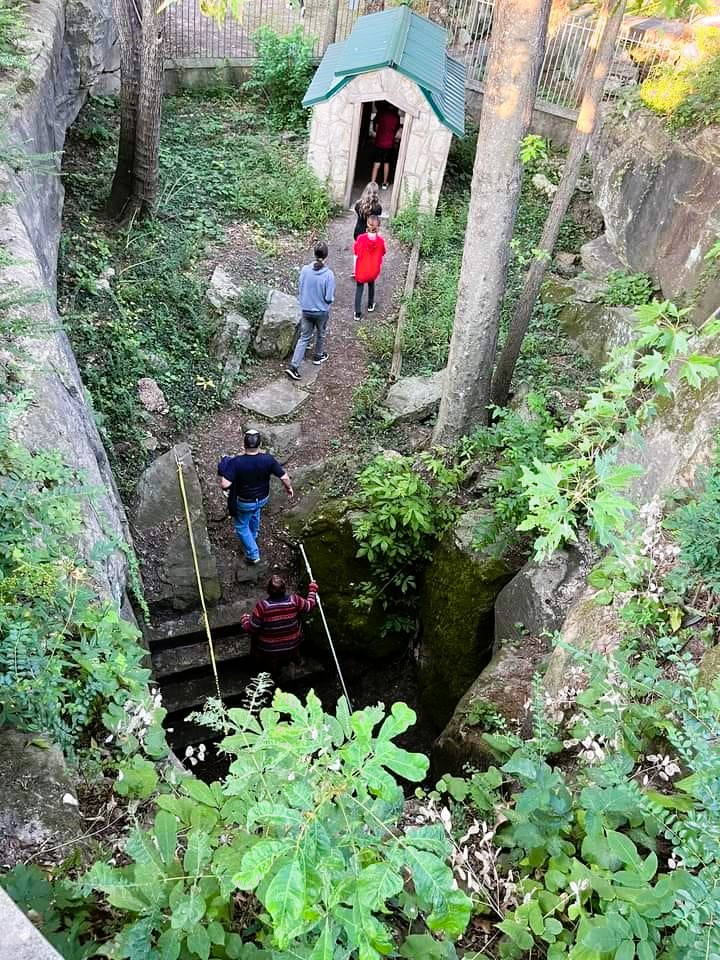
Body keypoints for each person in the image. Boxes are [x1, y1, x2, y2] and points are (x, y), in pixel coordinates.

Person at [218, 430, 293, 565]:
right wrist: (289, 488)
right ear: (260, 444)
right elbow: (284, 477)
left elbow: (225, 484)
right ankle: (253, 536)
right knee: (255, 512)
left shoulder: (236, 462)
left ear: (244, 444)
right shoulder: (268, 459)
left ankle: (253, 554)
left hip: (245, 501)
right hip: (262, 498)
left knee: (241, 526)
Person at [241, 575, 319, 670]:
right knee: (297, 619)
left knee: (255, 634)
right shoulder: (294, 600)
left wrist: (245, 619)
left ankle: (266, 665)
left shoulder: (262, 607)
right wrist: (312, 590)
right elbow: (309, 607)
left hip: (268, 649)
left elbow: (251, 629)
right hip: (293, 644)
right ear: (284, 589)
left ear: (268, 591)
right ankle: (297, 659)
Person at [285, 241, 335, 382]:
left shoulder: (305, 270)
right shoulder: (329, 275)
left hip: (306, 310)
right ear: (326, 255)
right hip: (321, 312)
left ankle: (293, 366)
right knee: (321, 333)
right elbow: (329, 297)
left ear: (314, 253)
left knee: (304, 337)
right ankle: (318, 356)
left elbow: (300, 287)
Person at [353, 214, 386, 320]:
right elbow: (383, 252)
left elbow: (356, 253)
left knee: (359, 289)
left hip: (361, 270)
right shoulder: (380, 241)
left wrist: (354, 269)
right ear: (378, 227)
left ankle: (357, 313)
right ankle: (370, 305)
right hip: (373, 270)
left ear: (367, 224)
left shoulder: (361, 239)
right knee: (371, 285)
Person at [370, 102, 401, 190]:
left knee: (376, 164)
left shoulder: (381, 114)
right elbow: (396, 129)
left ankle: (372, 184)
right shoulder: (396, 117)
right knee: (386, 163)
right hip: (389, 144)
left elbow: (375, 128)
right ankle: (384, 183)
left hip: (379, 143)